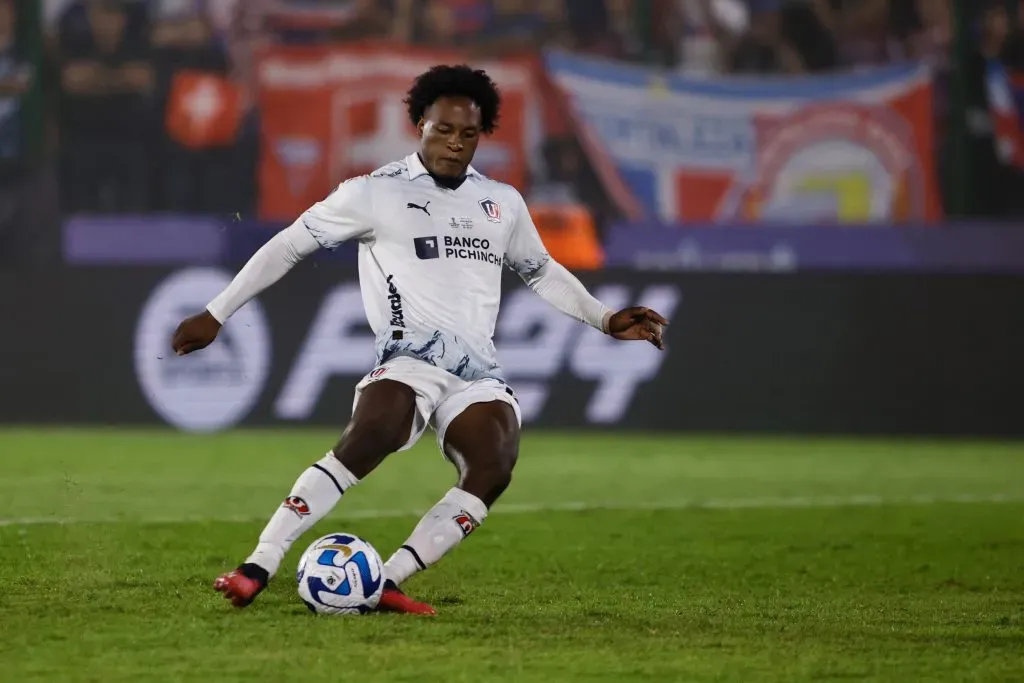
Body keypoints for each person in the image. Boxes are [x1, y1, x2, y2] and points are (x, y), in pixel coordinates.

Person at [171, 64, 669, 615]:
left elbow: (540, 270)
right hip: (408, 360)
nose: (455, 144)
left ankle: (386, 580)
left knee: (494, 463)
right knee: (371, 436)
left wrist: (603, 319)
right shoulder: (373, 193)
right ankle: (257, 565)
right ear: (419, 125)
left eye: (468, 134)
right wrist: (217, 313)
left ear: (482, 135)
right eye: (443, 129)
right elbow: (289, 245)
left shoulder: (502, 203)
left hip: (476, 372)